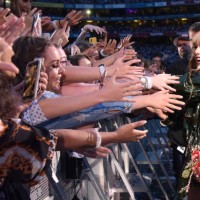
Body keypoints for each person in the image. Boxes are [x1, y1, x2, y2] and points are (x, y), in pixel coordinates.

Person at [161, 32, 200, 200]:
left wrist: (146, 83)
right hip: (189, 149)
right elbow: (181, 117)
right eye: (196, 46)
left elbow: (186, 86)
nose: (196, 51)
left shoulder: (190, 82)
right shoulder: (181, 71)